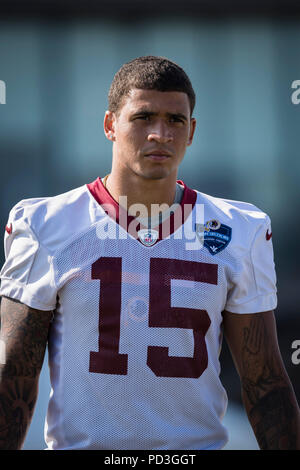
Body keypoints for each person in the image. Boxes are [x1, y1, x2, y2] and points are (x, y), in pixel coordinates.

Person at [0, 56, 299, 451]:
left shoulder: (239, 229)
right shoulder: (47, 225)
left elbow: (266, 384)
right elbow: (13, 376)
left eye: (175, 120)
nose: (160, 133)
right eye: (143, 118)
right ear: (110, 125)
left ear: (191, 131)